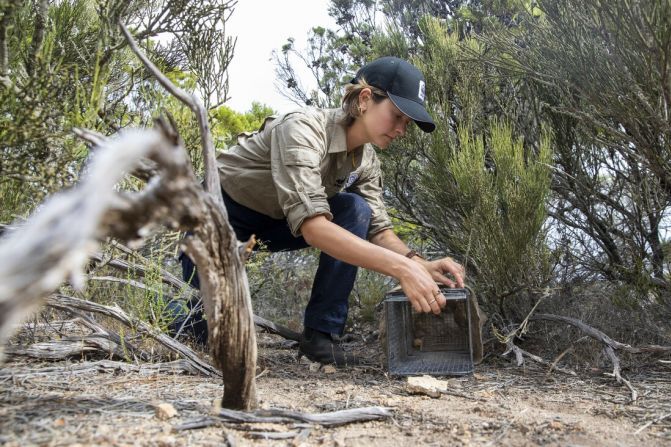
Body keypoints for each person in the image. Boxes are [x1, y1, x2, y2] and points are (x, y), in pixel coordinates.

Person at [178, 56, 465, 366]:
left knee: (355, 209)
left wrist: (419, 264)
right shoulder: (302, 128)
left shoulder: (366, 161)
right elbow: (313, 228)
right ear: (366, 99)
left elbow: (379, 231)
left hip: (280, 222)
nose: (401, 130)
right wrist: (401, 270)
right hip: (219, 216)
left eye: (407, 123)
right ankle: (170, 316)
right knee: (200, 337)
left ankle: (321, 336)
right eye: (397, 116)